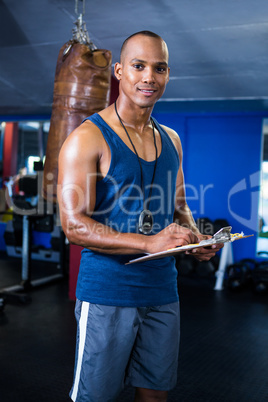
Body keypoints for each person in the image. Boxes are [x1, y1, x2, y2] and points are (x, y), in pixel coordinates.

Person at [57, 31, 223, 402]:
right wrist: (149, 241)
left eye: (159, 68)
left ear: (167, 75)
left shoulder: (172, 140)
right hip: (108, 292)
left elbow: (179, 204)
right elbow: (73, 225)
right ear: (119, 71)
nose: (149, 76)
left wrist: (196, 238)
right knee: (96, 397)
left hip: (163, 291)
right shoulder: (88, 138)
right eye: (139, 66)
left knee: (155, 393)